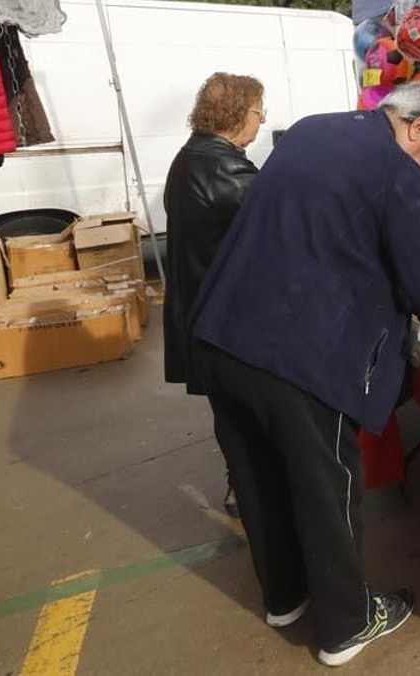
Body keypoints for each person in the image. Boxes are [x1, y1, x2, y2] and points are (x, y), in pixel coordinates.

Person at [190, 81, 420, 667]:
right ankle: (346, 624)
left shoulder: (314, 129)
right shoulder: (393, 168)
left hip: (222, 331)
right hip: (296, 354)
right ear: (418, 127)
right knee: (327, 486)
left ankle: (286, 598)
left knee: (258, 475)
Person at [162, 72, 265, 518]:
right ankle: (249, 491)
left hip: (201, 306)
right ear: (237, 115)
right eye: (259, 113)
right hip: (226, 315)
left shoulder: (190, 157)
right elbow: (275, 222)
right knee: (247, 414)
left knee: (231, 413)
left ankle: (241, 487)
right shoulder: (223, 166)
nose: (261, 123)